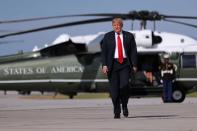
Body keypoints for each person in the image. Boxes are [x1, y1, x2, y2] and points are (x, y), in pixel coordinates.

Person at [101, 17, 137, 119]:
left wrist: (134, 65)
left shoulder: (129, 36)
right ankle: (117, 111)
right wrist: (104, 65)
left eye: (118, 25)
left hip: (125, 64)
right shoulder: (107, 36)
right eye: (115, 25)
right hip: (112, 65)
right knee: (114, 91)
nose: (117, 27)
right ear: (113, 26)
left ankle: (124, 105)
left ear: (121, 26)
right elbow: (104, 53)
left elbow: (133, 51)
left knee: (124, 86)